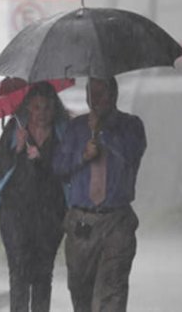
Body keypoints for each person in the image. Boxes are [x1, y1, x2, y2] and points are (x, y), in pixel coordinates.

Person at [52, 77, 147, 312]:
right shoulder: (75, 128)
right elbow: (59, 168)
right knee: (80, 290)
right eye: (92, 94)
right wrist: (82, 156)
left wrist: (102, 132)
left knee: (112, 289)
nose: (96, 100)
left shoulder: (131, 125)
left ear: (113, 95)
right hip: (82, 222)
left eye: (102, 93)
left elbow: (131, 155)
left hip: (116, 219)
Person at [0, 81, 69, 312]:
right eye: (36, 107)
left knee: (44, 273)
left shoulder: (63, 134)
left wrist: (42, 158)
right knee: (19, 271)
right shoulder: (14, 131)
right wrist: (17, 150)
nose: (41, 114)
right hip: (15, 215)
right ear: (28, 108)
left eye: (46, 108)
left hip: (50, 216)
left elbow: (68, 170)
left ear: (55, 109)